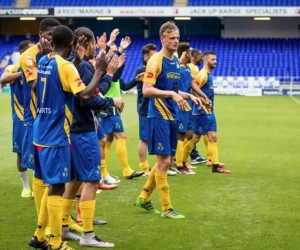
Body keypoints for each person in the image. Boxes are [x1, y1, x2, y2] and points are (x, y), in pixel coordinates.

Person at [135, 21, 202, 219]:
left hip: (172, 115)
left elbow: (173, 90)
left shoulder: (174, 61)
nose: (175, 41)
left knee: (167, 160)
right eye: (171, 38)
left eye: (177, 38)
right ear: (162, 39)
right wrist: (172, 95)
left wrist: (189, 95)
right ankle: (167, 208)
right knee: (164, 162)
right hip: (158, 116)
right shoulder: (156, 61)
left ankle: (144, 197)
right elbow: (147, 90)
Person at [63, 26, 122, 247]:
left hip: (71, 128)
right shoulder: (84, 67)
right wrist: (112, 101)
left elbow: (93, 92)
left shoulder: (68, 64)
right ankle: (88, 235)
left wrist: (107, 75)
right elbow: (89, 99)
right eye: (93, 41)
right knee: (91, 180)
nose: (95, 45)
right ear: (84, 42)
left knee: (76, 179)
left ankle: (63, 227)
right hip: (83, 130)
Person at [19, 17, 61, 216]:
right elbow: (36, 87)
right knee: (41, 174)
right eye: (49, 34)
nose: (52, 38)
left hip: (59, 120)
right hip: (37, 120)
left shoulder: (58, 52)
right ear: (40, 35)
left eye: (55, 34)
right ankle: (42, 224)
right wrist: (45, 59)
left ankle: (62, 218)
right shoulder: (29, 57)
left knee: (60, 175)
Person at [101, 37, 144, 180]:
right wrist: (121, 52)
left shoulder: (111, 73)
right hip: (109, 107)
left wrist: (136, 79)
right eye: (112, 53)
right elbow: (114, 78)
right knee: (121, 136)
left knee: (107, 139)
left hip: (109, 107)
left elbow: (123, 86)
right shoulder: (106, 71)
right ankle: (126, 170)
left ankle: (103, 172)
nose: (114, 57)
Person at [184, 50, 231, 174]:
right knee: (195, 138)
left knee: (213, 137)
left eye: (215, 59)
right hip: (200, 112)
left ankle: (215, 165)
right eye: (213, 59)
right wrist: (202, 100)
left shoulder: (208, 75)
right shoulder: (202, 75)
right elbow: (193, 89)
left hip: (210, 111)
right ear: (206, 61)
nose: (215, 62)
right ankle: (182, 162)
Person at [0, 40, 35, 197]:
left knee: (40, 149)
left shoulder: (37, 66)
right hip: (20, 117)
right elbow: (3, 79)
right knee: (21, 152)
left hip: (38, 116)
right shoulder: (13, 67)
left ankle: (41, 184)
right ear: (22, 53)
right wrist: (23, 72)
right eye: (30, 50)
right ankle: (26, 187)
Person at [187, 48, 207, 165]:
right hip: (190, 102)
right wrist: (199, 99)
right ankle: (187, 157)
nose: (202, 58)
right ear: (193, 56)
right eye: (200, 56)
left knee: (189, 132)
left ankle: (193, 155)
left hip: (191, 101)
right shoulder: (192, 68)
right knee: (188, 132)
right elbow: (192, 86)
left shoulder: (194, 68)